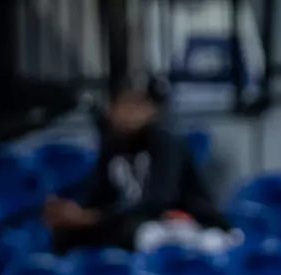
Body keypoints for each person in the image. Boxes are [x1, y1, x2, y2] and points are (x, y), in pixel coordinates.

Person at [43, 75, 228, 255]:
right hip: (131, 222)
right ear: (111, 109)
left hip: (183, 220)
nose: (132, 113)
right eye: (125, 105)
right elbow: (98, 197)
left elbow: (160, 200)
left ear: (152, 111)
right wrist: (74, 214)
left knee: (144, 234)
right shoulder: (111, 146)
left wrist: (94, 218)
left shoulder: (167, 143)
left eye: (140, 105)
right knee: (65, 235)